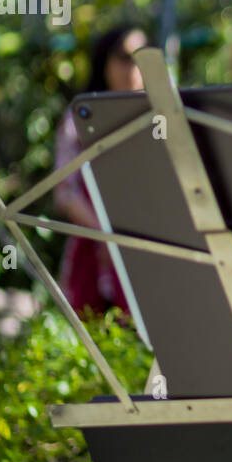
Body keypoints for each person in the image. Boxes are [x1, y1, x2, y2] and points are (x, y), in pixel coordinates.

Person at [54, 24, 147, 316]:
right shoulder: (79, 121)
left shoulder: (161, 119)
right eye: (124, 57)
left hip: (148, 255)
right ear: (104, 62)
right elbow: (65, 192)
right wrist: (106, 236)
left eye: (142, 58)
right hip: (91, 256)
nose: (133, 67)